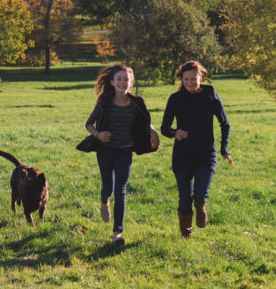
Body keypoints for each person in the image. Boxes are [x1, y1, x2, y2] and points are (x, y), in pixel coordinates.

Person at [84, 64, 158, 245]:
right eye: (119, 79)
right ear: (112, 82)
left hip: (125, 150)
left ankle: (117, 232)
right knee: (108, 187)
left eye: (126, 79)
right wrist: (99, 135)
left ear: (131, 83)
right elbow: (89, 124)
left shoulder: (136, 103)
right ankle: (104, 201)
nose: (122, 82)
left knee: (121, 190)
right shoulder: (104, 101)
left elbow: (145, 122)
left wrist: (153, 132)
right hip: (105, 150)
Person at [160, 60, 232, 238]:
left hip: (205, 154)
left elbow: (225, 124)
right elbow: (164, 128)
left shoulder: (210, 95)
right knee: (184, 198)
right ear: (181, 79)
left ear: (202, 77)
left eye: (194, 79)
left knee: (200, 194)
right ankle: (186, 233)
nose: (190, 83)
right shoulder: (175, 99)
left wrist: (224, 149)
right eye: (186, 79)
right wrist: (175, 132)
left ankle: (200, 205)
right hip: (182, 155)